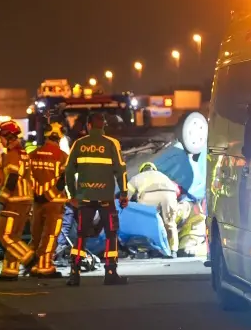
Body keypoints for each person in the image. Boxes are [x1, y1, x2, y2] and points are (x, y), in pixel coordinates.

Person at [63, 112, 129, 286]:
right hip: (106, 198)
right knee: (111, 234)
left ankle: (74, 274)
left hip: (85, 198)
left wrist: (72, 195)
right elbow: (121, 170)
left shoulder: (79, 144)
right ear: (103, 126)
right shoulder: (111, 143)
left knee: (81, 235)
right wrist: (123, 193)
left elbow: (68, 171)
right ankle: (110, 273)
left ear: (89, 126)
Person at [0, 120, 35, 281]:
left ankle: (29, 258)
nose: (0, 141)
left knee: (3, 235)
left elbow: (12, 177)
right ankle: (10, 272)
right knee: (14, 236)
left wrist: (2, 199)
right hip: (24, 201)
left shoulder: (12, 154)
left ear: (9, 136)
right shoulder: (23, 153)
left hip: (14, 201)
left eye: (1, 138)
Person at [26, 122, 69, 278]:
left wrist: (38, 194)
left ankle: (33, 265)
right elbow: (63, 181)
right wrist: (49, 195)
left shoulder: (33, 155)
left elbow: (27, 177)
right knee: (50, 235)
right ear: (59, 137)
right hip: (54, 203)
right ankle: (45, 266)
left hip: (37, 202)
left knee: (36, 235)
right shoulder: (63, 157)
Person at [128, 161, 181, 257]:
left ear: (142, 170)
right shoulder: (163, 176)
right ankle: (173, 250)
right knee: (170, 223)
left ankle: (145, 249)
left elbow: (126, 194)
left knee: (145, 222)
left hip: (149, 195)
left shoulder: (137, 177)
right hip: (169, 195)